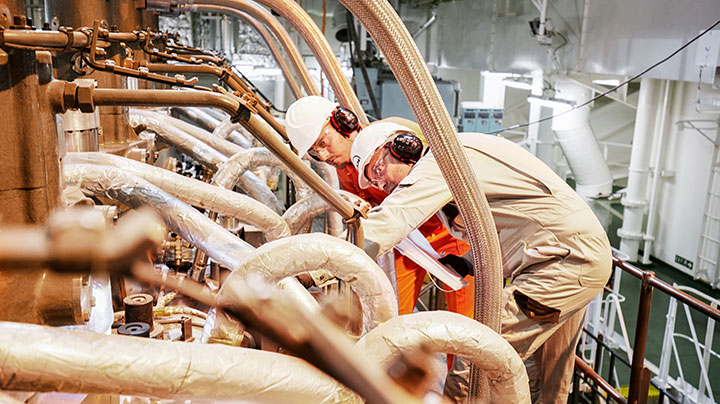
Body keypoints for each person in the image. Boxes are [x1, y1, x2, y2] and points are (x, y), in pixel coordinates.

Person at [350, 122, 613, 404]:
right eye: (375, 183)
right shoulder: (452, 159)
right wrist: (466, 262)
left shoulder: (439, 162)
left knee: (476, 356)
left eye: (378, 170)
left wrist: (318, 265)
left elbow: (393, 219)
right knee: (546, 376)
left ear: (403, 148)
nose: (383, 185)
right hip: (569, 255)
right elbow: (506, 224)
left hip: (564, 262)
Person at [285, 96, 475, 318]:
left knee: (466, 317)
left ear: (343, 123)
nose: (324, 156)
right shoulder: (344, 171)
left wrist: (321, 266)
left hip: (449, 236)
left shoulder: (394, 138)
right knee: (390, 315)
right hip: (403, 244)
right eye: (315, 153)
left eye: (322, 144)